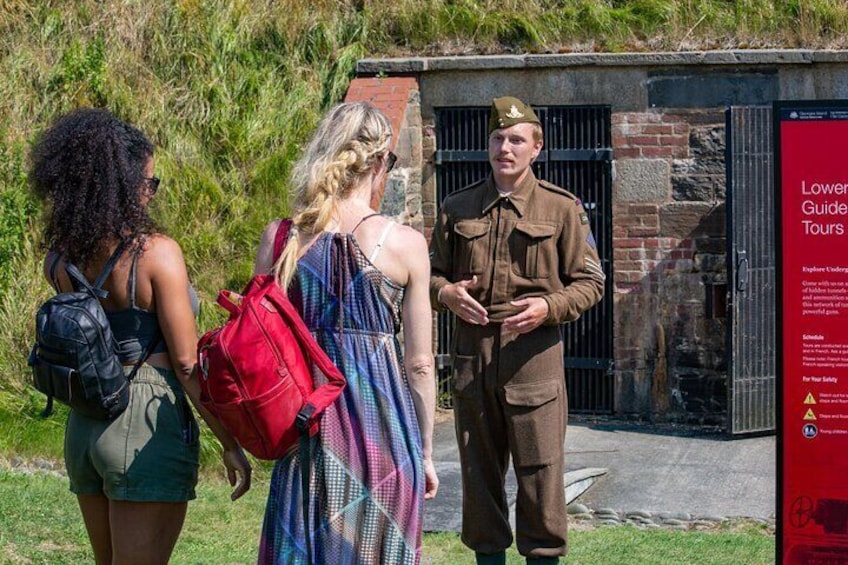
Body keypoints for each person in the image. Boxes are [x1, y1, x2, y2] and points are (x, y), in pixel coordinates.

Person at [29, 107, 252, 565]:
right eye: (149, 183)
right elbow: (188, 364)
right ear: (123, 186)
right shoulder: (157, 255)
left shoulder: (59, 258)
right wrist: (230, 443)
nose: (151, 193)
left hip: (85, 424)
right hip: (144, 417)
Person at [254, 101, 439, 564]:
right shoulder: (405, 244)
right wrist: (426, 452)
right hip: (385, 437)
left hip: (307, 434)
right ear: (379, 163)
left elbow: (258, 346)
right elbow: (419, 364)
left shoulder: (281, 239)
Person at [429, 96, 606, 565]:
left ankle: (543, 557)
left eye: (515, 140)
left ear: (536, 148)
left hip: (534, 363)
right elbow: (428, 276)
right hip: (473, 360)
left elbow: (591, 282)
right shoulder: (457, 207)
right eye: (497, 139)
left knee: (541, 478)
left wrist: (549, 306)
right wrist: (446, 295)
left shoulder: (561, 208)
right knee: (479, 477)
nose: (504, 148)